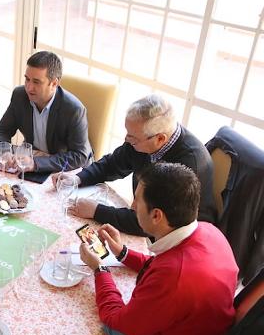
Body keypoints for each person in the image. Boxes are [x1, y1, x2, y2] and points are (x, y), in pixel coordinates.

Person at [76, 163, 238, 335]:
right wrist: (122, 253)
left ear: (156, 215)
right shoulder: (208, 232)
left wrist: (100, 269)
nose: (131, 206)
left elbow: (117, 331)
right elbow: (161, 266)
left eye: (137, 200)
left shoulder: (175, 278)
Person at [52, 94, 216, 236]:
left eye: (133, 138)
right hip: (144, 217)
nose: (126, 140)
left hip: (174, 240)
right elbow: (112, 164)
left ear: (160, 139)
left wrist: (96, 210)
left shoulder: (188, 165)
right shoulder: (142, 140)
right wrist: (77, 178)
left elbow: (149, 222)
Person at [0, 51, 92, 173]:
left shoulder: (74, 110)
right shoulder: (20, 95)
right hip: (33, 160)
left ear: (54, 83)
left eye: (36, 82)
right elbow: (2, 130)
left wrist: (36, 164)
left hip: (66, 171)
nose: (29, 87)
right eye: (27, 79)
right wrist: (5, 152)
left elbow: (79, 156)